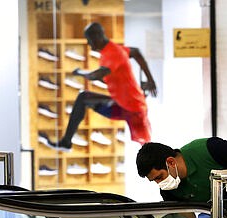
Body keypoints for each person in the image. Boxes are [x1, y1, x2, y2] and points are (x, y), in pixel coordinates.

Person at [39, 22, 157, 150]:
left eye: (89, 41)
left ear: (97, 37)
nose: (89, 45)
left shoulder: (113, 53)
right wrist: (150, 80)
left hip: (134, 109)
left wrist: (80, 72)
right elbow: (136, 53)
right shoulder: (113, 50)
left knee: (146, 147)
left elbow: (95, 75)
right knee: (83, 98)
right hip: (120, 104)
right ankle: (66, 142)